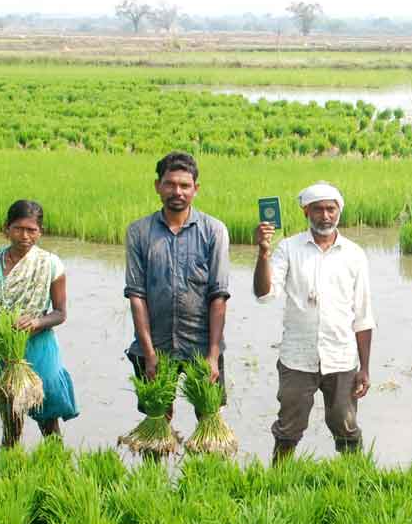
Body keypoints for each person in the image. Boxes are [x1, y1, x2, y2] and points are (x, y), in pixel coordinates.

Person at [254, 182, 374, 463]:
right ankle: (279, 482)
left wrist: (365, 368)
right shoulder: (288, 248)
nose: (325, 216)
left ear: (339, 211)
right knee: (288, 429)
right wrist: (262, 253)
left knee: (346, 428)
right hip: (297, 358)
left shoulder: (354, 254)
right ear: (306, 211)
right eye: (318, 209)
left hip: (341, 358)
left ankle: (353, 479)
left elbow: (364, 315)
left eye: (331, 209)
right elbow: (264, 294)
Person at [124, 152, 231, 423]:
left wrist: (213, 355)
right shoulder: (139, 232)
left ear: (196, 189)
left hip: (201, 344)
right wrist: (149, 354)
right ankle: (153, 467)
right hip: (155, 344)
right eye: (170, 184)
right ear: (158, 186)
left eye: (185, 186)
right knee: (157, 419)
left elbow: (219, 295)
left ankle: (208, 466)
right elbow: (136, 296)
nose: (177, 192)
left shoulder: (213, 230)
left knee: (209, 417)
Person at [0, 199, 78, 445]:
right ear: (6, 228)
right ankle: (11, 460)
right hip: (2, 347)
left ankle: (54, 458)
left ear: (40, 232)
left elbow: (60, 313)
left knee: (47, 408)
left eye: (32, 230)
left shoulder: (50, 264)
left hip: (38, 344)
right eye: (18, 228)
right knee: (11, 409)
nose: (24, 235)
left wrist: (37, 322)